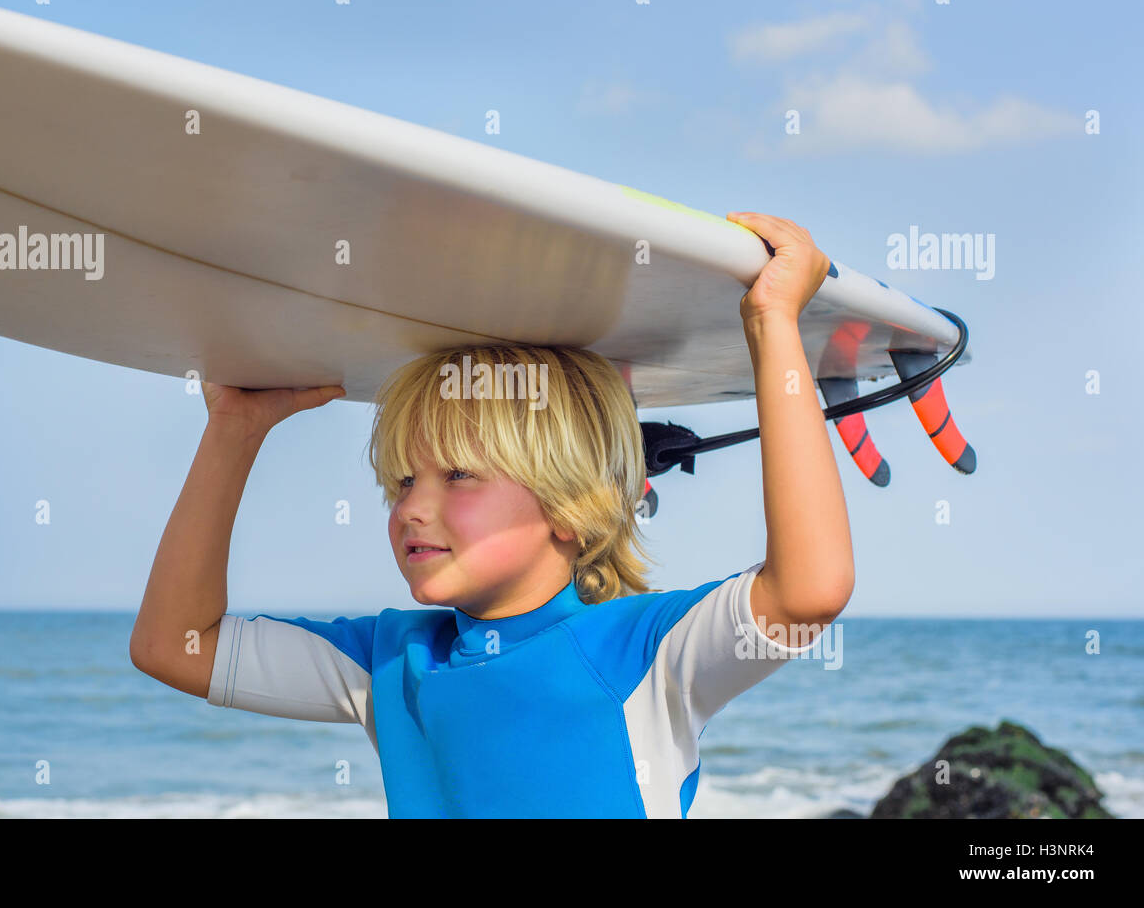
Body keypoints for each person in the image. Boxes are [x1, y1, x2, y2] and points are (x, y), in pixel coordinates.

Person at [129, 211, 855, 817]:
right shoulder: (392, 660)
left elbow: (809, 588)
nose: (412, 507)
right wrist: (236, 426)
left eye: (460, 476)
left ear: (569, 509)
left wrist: (773, 323)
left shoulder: (641, 653)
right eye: (402, 480)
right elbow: (172, 645)